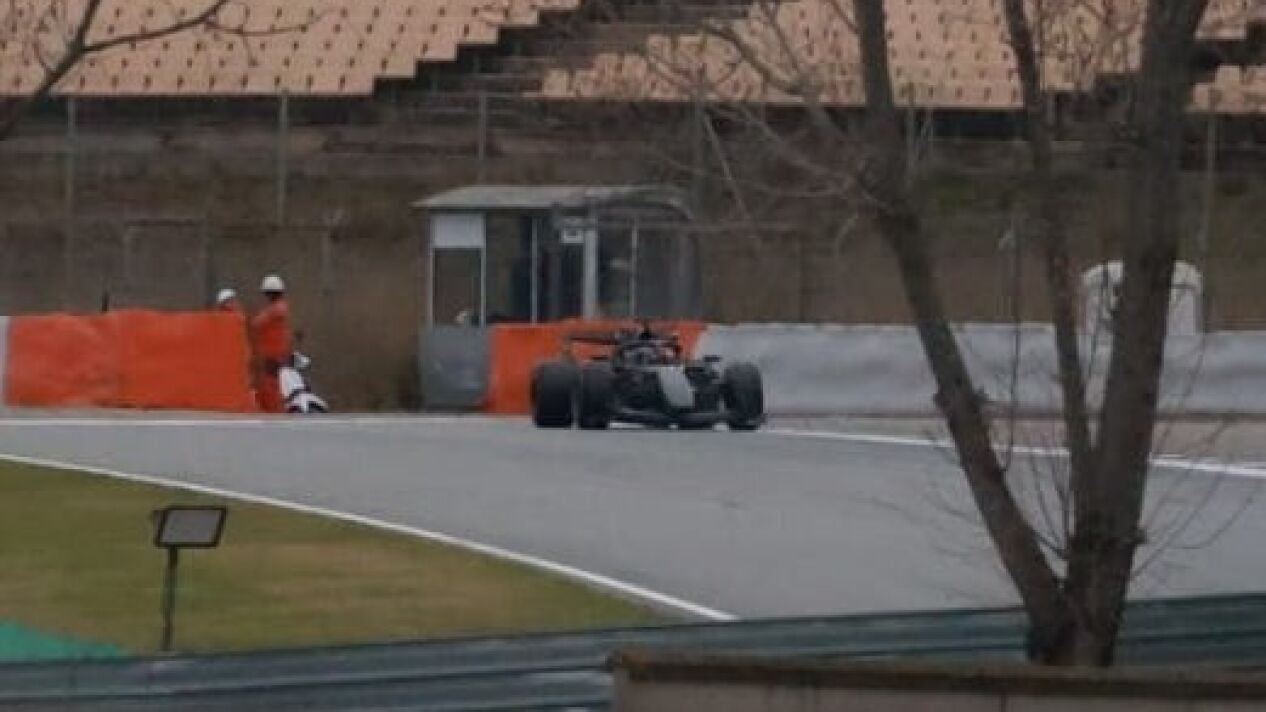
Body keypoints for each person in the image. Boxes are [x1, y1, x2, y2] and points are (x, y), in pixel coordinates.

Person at [250, 274, 294, 413]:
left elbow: (257, 323)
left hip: (273, 355)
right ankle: (272, 411)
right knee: (269, 386)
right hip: (273, 354)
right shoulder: (278, 307)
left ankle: (274, 412)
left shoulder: (276, 308)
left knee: (271, 387)